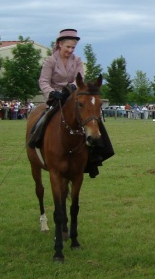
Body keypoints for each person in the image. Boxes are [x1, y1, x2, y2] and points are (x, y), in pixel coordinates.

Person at [28, 29, 114, 178]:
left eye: (73, 48)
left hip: (73, 96)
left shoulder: (77, 60)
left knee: (93, 120)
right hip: (55, 98)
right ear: (60, 44)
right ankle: (35, 140)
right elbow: (43, 81)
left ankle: (94, 157)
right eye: (68, 47)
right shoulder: (50, 61)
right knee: (44, 118)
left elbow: (79, 77)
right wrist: (51, 92)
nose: (70, 50)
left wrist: (73, 87)